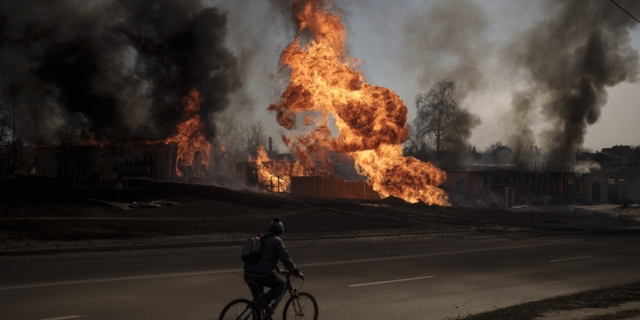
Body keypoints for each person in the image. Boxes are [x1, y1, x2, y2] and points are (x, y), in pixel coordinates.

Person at [244, 217, 302, 312]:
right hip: (261, 274)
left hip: (248, 273)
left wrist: (277, 269)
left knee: (257, 301)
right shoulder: (276, 240)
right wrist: (295, 271)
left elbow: (266, 257)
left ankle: (259, 308)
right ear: (280, 231)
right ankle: (265, 301)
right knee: (282, 285)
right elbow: (286, 258)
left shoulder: (262, 237)